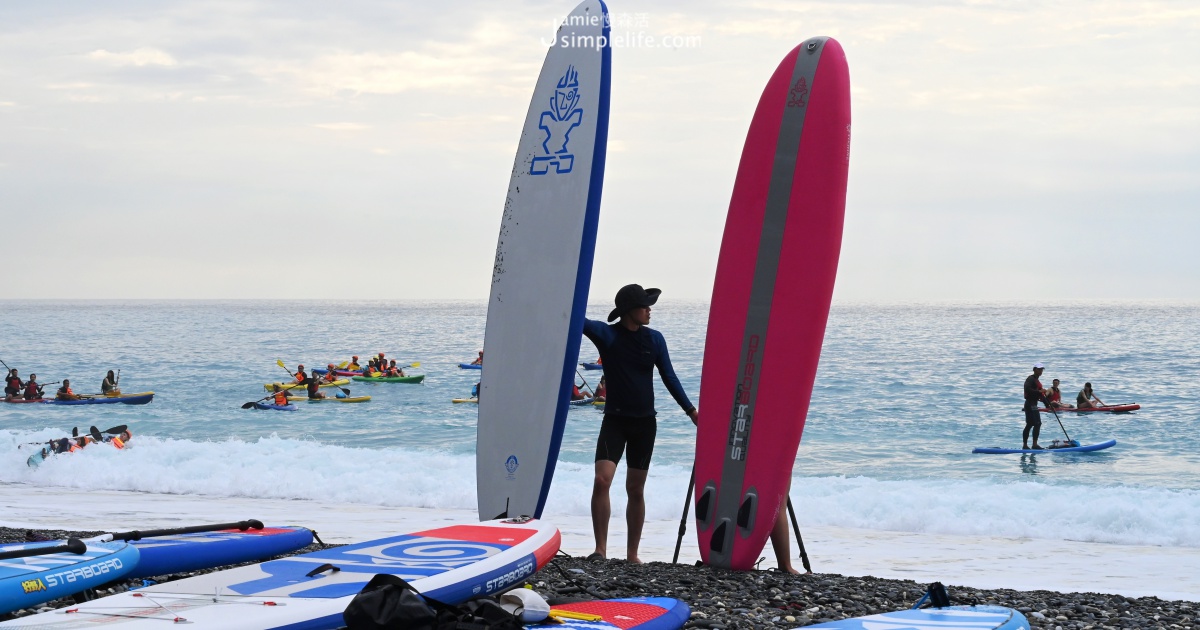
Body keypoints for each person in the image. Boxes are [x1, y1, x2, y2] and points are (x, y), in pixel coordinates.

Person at [582, 284, 697, 563]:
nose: (649, 310)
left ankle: (632, 554)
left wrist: (692, 412)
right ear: (628, 311)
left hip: (645, 424)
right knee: (601, 480)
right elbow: (574, 319)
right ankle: (601, 549)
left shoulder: (655, 340)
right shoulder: (607, 335)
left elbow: (669, 377)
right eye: (645, 306)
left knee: (635, 488)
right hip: (615, 421)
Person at [1023, 363, 1048, 450]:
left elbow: (1041, 395)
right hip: (1030, 404)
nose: (1040, 371)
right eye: (1039, 369)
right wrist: (1039, 392)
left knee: (1034, 423)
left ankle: (1033, 444)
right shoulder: (1030, 379)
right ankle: (1028, 445)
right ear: (1034, 369)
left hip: (1034, 404)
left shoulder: (1037, 381)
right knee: (1033, 424)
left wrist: (1048, 404)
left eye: (1041, 369)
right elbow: (1027, 389)